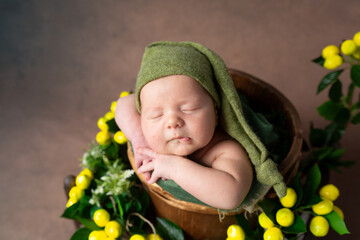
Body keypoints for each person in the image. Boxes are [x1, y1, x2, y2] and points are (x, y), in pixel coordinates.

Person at [115, 41, 286, 211]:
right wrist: (139, 138)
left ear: (216, 112)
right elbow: (123, 104)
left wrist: (173, 168)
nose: (173, 122)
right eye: (156, 115)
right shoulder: (146, 132)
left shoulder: (224, 149)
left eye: (189, 109)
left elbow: (231, 196)